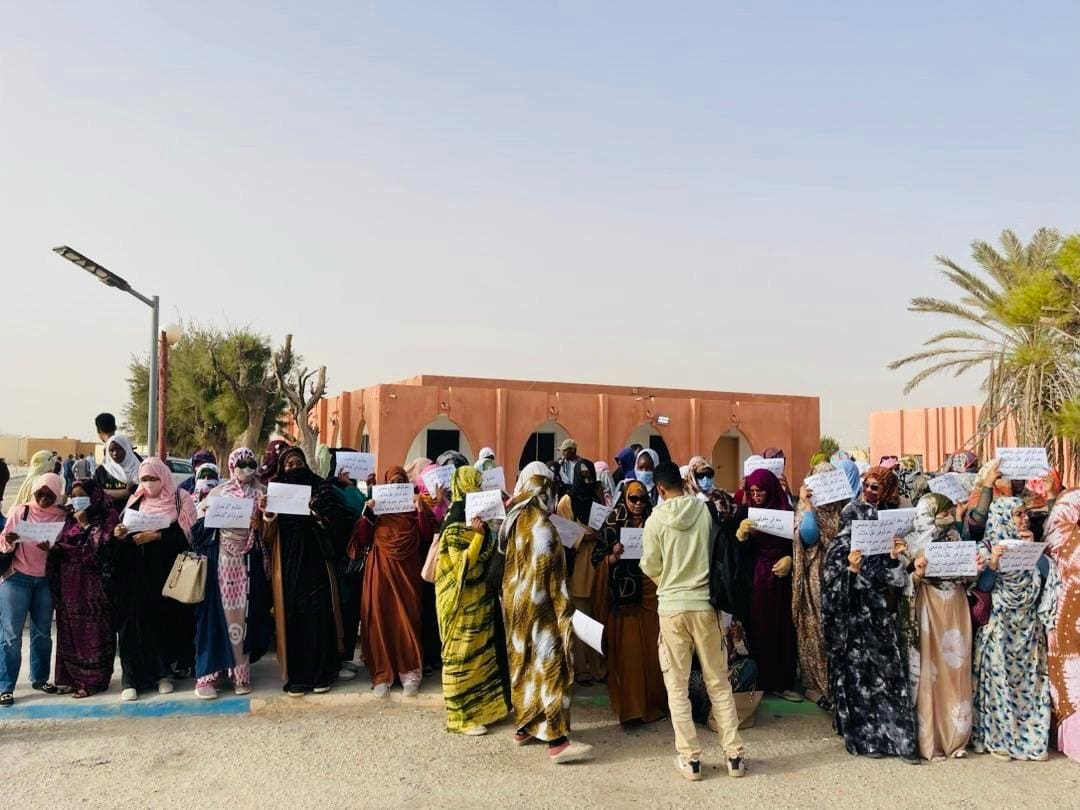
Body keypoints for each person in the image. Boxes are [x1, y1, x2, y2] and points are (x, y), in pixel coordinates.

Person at [640, 462, 744, 781]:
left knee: (677, 686)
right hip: (704, 606)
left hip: (672, 608)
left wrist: (669, 585)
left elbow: (650, 565)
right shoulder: (704, 511)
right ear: (684, 483)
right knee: (718, 682)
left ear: (659, 488)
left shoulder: (654, 520)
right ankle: (734, 756)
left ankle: (691, 759)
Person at [822, 466, 919, 764]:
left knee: (889, 675)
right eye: (865, 485)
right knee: (858, 680)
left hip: (877, 618)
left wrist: (892, 558)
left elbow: (895, 581)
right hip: (851, 623)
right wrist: (851, 571)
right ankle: (865, 739)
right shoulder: (839, 546)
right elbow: (830, 585)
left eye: (875, 487)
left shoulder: (883, 535)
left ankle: (900, 741)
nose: (868, 490)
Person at [501, 461, 591, 763]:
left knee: (523, 665)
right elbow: (552, 579)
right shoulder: (545, 528)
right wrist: (566, 614)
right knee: (552, 669)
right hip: (542, 613)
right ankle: (557, 740)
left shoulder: (514, 520)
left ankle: (524, 726)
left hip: (516, 609)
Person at [971, 497, 1058, 761]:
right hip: (1000, 626)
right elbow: (982, 588)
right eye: (1018, 514)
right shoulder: (987, 548)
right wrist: (993, 565)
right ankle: (999, 739)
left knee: (1030, 684)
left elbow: (1048, 577)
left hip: (1027, 627)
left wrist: (1033, 551)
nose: (1024, 519)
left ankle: (1031, 738)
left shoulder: (1031, 544)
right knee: (1000, 683)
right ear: (1003, 517)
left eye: (1025, 514)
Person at [262, 447, 351, 696]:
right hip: (289, 565)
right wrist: (268, 514)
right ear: (282, 469)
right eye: (289, 465)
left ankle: (323, 673)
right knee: (294, 616)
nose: (294, 468)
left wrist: (319, 513)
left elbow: (341, 521)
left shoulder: (321, 487)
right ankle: (298, 677)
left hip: (318, 562)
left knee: (319, 615)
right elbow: (268, 537)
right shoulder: (276, 491)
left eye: (297, 463)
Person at [112, 458, 197, 701]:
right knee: (134, 625)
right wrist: (120, 535)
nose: (149, 484)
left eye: (153, 478)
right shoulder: (136, 500)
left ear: (164, 477)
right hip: (138, 575)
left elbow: (189, 536)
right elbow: (124, 535)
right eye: (144, 479)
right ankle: (132, 679)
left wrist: (158, 537)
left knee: (165, 623)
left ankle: (163, 674)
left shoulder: (181, 499)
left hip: (171, 574)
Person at [190, 448, 272, 699]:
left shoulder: (263, 493)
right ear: (231, 465)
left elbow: (273, 533)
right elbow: (197, 529)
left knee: (243, 619)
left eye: (251, 463)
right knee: (216, 617)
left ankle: (240, 674)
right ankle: (210, 675)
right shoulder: (218, 493)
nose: (246, 468)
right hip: (221, 562)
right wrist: (213, 519)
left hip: (249, 564)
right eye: (241, 463)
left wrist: (262, 523)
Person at [435, 466, 510, 734]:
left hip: (479, 600)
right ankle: (459, 717)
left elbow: (486, 556)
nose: (479, 490)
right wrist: (478, 537)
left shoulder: (474, 519)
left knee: (481, 657)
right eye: (475, 485)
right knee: (461, 656)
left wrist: (493, 530)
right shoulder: (455, 524)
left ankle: (483, 710)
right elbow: (462, 566)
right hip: (460, 604)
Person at [353, 466, 437, 698]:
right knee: (381, 616)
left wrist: (420, 510)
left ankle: (409, 670)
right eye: (391, 482)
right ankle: (383, 673)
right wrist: (368, 513)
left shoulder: (414, 506)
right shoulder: (377, 508)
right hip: (380, 568)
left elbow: (427, 535)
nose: (396, 486)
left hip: (408, 570)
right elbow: (362, 538)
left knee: (407, 617)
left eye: (400, 481)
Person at [591, 479, 667, 725]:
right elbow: (597, 558)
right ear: (624, 498)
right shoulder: (613, 521)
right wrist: (612, 557)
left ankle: (654, 704)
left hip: (651, 594)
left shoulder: (656, 520)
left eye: (642, 499)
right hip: (624, 601)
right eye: (633, 499)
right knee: (629, 655)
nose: (638, 504)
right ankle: (632, 709)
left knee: (653, 655)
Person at [906, 493, 973, 761]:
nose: (948, 516)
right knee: (930, 670)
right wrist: (917, 573)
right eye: (942, 512)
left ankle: (955, 738)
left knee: (956, 669)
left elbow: (967, 576)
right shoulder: (911, 541)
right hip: (929, 606)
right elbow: (901, 582)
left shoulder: (955, 538)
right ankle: (930, 740)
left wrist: (974, 568)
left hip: (955, 606)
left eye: (948, 512)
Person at [46, 478, 118, 698]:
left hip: (94, 585)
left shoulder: (108, 516)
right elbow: (64, 544)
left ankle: (93, 681)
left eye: (82, 495)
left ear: (94, 495)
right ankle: (70, 678)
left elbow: (107, 547)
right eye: (74, 496)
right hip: (69, 582)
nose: (77, 500)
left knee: (94, 630)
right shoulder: (68, 517)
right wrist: (52, 548)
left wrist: (87, 525)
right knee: (69, 628)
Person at [0, 473, 66, 706]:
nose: (44, 498)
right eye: (40, 493)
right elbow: (4, 544)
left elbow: (66, 546)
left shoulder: (61, 516)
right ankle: (5, 686)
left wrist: (53, 548)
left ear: (57, 494)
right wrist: (9, 539)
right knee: (11, 634)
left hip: (45, 580)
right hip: (17, 578)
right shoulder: (22, 511)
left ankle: (40, 678)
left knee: (42, 632)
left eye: (49, 494)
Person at [733, 469, 799, 701]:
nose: (756, 495)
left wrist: (790, 560)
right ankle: (760, 682)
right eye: (752, 491)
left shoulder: (786, 511)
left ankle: (782, 683)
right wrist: (741, 536)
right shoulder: (745, 512)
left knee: (783, 630)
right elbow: (738, 555)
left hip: (781, 581)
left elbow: (799, 545)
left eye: (760, 491)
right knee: (759, 629)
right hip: (757, 581)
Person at [792, 461, 849, 709]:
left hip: (842, 577)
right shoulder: (806, 508)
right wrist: (807, 507)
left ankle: (839, 685)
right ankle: (816, 685)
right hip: (816, 575)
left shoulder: (845, 510)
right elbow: (808, 538)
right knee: (815, 628)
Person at [556, 458, 606, 685]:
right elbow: (563, 533)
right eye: (583, 477)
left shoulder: (596, 499)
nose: (587, 481)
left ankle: (598, 666)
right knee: (580, 618)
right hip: (577, 567)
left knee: (597, 617)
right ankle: (580, 667)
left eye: (590, 477)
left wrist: (601, 498)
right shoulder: (567, 501)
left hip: (598, 566)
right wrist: (587, 537)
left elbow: (606, 524)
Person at [1045, 489, 1080, 763]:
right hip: (1068, 617)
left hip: (1067, 616)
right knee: (1072, 678)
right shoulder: (1066, 541)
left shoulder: (1060, 538)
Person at [96, 435, 141, 504]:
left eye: (119, 449)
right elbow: (95, 494)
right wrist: (125, 493)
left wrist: (105, 492)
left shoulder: (140, 468)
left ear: (127, 449)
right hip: (108, 509)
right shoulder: (101, 471)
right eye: (111, 450)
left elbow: (142, 493)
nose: (115, 453)